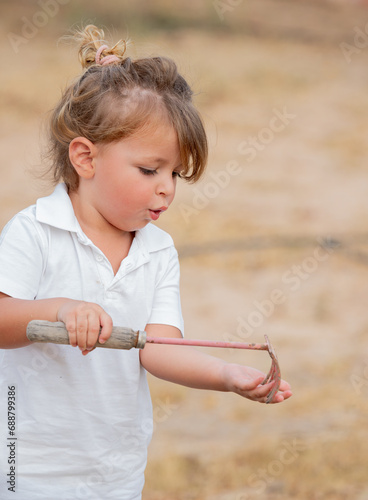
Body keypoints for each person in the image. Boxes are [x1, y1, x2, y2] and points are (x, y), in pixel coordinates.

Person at [0, 25, 292, 500]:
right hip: (24, 468)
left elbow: (158, 348)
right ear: (85, 158)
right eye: (149, 170)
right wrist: (59, 310)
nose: (167, 188)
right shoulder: (34, 232)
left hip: (115, 472)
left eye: (174, 173)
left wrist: (227, 376)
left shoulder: (157, 250)